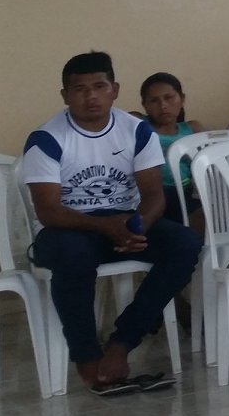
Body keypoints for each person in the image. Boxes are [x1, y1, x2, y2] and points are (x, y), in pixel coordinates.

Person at [20, 52, 201, 394]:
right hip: (67, 229)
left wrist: (136, 227)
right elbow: (48, 211)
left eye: (99, 87)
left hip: (123, 222)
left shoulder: (136, 130)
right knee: (73, 255)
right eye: (80, 89)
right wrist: (108, 227)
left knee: (185, 243)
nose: (91, 96)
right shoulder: (47, 138)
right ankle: (88, 358)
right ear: (65, 95)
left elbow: (154, 196)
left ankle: (122, 343)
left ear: (114, 90)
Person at [139, 72, 206, 225]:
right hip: (151, 193)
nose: (163, 105)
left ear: (182, 99)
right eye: (154, 100)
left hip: (186, 191)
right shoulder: (139, 125)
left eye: (169, 98)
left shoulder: (192, 129)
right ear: (144, 105)